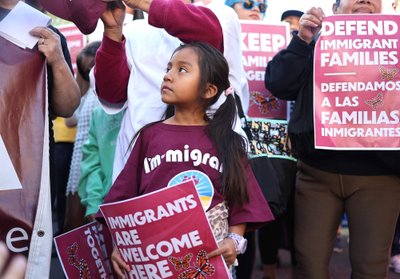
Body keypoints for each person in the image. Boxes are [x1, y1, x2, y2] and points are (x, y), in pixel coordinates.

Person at [101, 41, 273, 279]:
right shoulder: (149, 136)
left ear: (209, 90)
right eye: (168, 68)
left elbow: (242, 201)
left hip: (209, 261)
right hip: (154, 262)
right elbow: (123, 200)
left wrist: (235, 242)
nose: (169, 76)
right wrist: (119, 245)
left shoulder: (229, 142)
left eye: (182, 70)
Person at [265, 0, 400, 278]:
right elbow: (278, 84)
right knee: (309, 267)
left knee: (371, 269)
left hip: (380, 177)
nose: (365, 0)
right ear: (335, 10)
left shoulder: (396, 45)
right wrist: (302, 42)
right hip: (317, 175)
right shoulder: (313, 41)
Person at [94, 0, 249, 183]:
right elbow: (112, 95)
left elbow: (211, 33)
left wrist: (147, 4)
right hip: (144, 162)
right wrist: (112, 32)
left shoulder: (220, 14)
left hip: (208, 161)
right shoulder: (134, 30)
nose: (168, 77)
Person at [0, 0, 80, 277]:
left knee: (22, 256)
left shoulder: (39, 26)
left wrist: (56, 59)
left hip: (29, 166)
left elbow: (68, 106)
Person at [64, 41, 101, 231]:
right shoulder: (88, 96)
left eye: (94, 66)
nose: (91, 72)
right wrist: (79, 80)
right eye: (86, 69)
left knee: (85, 227)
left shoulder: (106, 95)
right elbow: (69, 120)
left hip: (96, 167)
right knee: (74, 227)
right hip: (79, 164)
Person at [78, 106, 125, 221]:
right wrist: (93, 203)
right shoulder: (98, 113)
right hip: (106, 203)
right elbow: (92, 164)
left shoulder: (147, 107)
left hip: (140, 204)